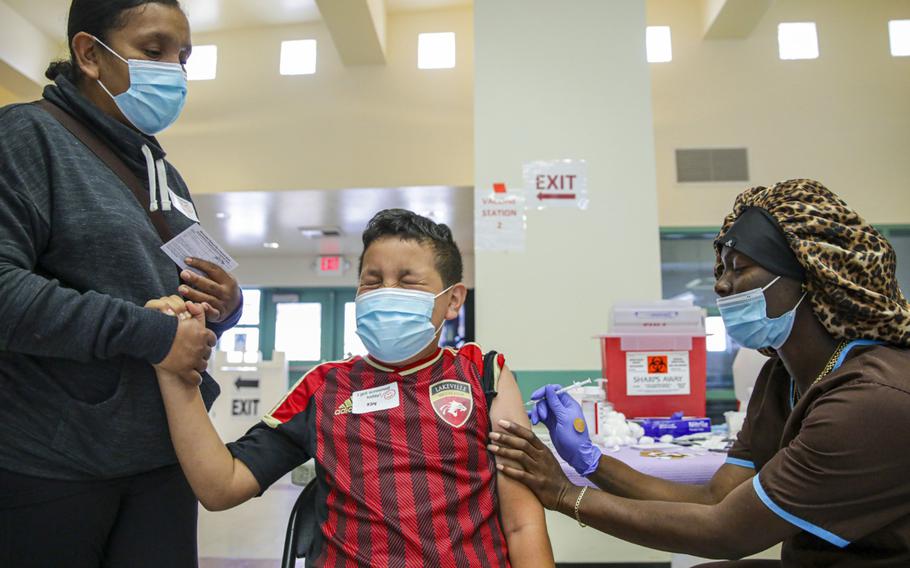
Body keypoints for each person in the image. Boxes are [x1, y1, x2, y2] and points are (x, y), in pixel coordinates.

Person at [488, 179, 910, 567]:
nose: (722, 286)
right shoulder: (780, 379)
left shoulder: (870, 400)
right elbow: (715, 498)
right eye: (721, 270)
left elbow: (727, 532)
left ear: (810, 279)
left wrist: (564, 493)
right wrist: (591, 461)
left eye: (740, 267)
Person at [150, 209, 554, 567]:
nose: (386, 293)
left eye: (408, 282)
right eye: (372, 281)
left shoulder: (484, 377)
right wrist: (176, 374)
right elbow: (222, 485)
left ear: (452, 301)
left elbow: (521, 524)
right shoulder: (324, 387)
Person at [0, 1, 242, 566]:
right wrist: (149, 334)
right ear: (89, 54)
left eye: (183, 58)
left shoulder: (162, 170)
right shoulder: (27, 136)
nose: (174, 72)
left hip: (165, 454)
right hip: (53, 464)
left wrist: (226, 303)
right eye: (153, 51)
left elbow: (190, 279)